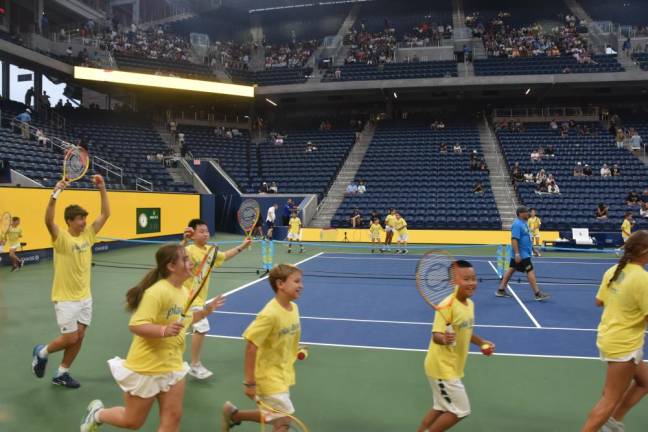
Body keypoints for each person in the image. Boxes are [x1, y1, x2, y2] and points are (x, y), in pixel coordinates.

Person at [79, 244, 225, 432]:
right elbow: (136, 325)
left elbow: (184, 320)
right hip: (147, 367)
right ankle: (97, 414)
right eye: (186, 259)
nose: (191, 263)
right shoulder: (156, 292)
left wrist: (206, 311)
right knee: (132, 422)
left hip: (173, 366)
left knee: (172, 421)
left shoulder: (183, 292)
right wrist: (164, 330)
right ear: (172, 266)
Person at [32, 175, 110, 388]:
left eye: (84, 218)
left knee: (80, 337)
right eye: (79, 219)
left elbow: (105, 214)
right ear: (69, 221)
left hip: (85, 297)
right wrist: (55, 193)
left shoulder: (89, 234)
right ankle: (42, 352)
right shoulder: (62, 238)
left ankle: (62, 373)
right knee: (69, 338)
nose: (84, 221)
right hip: (65, 298)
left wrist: (102, 187)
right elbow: (48, 220)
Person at [221, 264, 304, 432]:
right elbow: (251, 346)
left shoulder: (293, 308)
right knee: (284, 419)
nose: (301, 285)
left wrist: (297, 350)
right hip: (268, 376)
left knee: (274, 415)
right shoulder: (269, 314)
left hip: (283, 372)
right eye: (296, 281)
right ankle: (234, 415)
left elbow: (285, 337)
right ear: (280, 284)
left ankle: (234, 415)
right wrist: (250, 383)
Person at [580, 231, 648, 432]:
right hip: (624, 345)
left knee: (645, 382)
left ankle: (612, 423)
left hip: (610, 336)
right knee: (609, 399)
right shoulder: (643, 279)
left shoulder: (613, 271)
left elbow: (599, 301)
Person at [417, 260, 495, 432]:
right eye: (466, 279)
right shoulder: (446, 306)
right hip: (442, 368)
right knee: (461, 410)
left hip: (452, 365)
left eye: (474, 278)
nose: (472, 283)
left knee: (441, 407)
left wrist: (481, 342)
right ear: (453, 282)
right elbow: (436, 334)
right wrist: (444, 339)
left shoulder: (470, 304)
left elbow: (465, 331)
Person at [182, 219, 251, 379]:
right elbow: (174, 257)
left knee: (177, 330)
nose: (206, 234)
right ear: (192, 234)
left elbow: (225, 256)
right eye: (201, 231)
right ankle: (194, 364)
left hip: (197, 298)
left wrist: (243, 246)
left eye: (207, 231)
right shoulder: (188, 250)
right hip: (186, 297)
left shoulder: (211, 251)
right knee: (201, 327)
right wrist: (183, 241)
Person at [496, 206, 550, 301]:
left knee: (511, 270)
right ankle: (537, 293)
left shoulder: (524, 223)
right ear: (520, 214)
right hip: (521, 254)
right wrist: (517, 254)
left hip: (523, 253)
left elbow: (527, 238)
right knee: (530, 271)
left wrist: (533, 249)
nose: (528, 213)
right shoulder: (517, 224)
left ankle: (501, 290)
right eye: (525, 212)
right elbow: (514, 239)